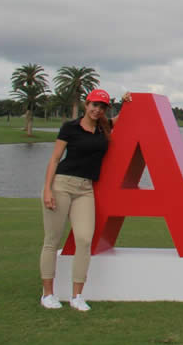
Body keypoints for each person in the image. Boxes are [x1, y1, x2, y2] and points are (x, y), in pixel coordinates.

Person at [40, 89, 130, 311]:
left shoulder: (103, 126)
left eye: (101, 106)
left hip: (85, 189)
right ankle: (47, 294)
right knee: (52, 241)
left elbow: (123, 119)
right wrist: (47, 190)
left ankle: (77, 296)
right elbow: (54, 159)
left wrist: (127, 102)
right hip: (61, 184)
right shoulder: (70, 128)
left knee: (84, 239)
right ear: (86, 104)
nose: (97, 109)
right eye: (94, 105)